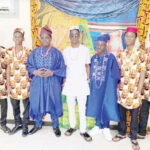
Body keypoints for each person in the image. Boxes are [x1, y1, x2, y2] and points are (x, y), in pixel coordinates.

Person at [27, 25, 66, 137]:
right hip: (38, 83)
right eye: (42, 37)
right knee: (37, 103)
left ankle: (55, 125)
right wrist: (35, 72)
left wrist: (52, 72)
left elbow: (62, 68)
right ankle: (37, 124)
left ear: (50, 38)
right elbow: (29, 66)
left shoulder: (56, 53)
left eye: (47, 37)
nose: (45, 40)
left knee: (53, 102)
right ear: (40, 38)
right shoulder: (34, 52)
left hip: (52, 82)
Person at [112, 27, 146, 150]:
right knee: (121, 114)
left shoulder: (141, 53)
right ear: (124, 38)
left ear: (135, 38)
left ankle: (133, 137)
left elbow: (143, 72)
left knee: (134, 114)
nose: (128, 38)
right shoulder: (121, 53)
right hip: (122, 89)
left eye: (131, 36)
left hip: (134, 90)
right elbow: (117, 71)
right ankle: (121, 132)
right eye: (127, 36)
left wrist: (139, 88)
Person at [86, 34, 120, 141]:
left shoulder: (110, 57)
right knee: (96, 104)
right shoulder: (93, 58)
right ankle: (97, 126)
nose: (99, 47)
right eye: (98, 45)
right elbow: (90, 72)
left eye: (102, 45)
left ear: (106, 46)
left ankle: (106, 127)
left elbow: (115, 73)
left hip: (107, 87)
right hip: (95, 87)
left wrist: (112, 85)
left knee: (106, 105)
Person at [63, 26, 92, 142]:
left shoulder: (85, 50)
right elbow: (64, 67)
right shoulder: (65, 51)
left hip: (81, 83)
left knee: (82, 108)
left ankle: (83, 130)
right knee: (70, 106)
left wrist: (88, 79)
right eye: (72, 35)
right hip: (70, 83)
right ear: (69, 37)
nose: (74, 37)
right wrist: (64, 81)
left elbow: (87, 66)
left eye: (76, 35)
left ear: (79, 36)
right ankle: (72, 126)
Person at [3, 28, 31, 137]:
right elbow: (8, 68)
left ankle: (25, 125)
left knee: (26, 107)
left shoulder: (28, 51)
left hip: (26, 84)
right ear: (13, 38)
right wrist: (8, 85)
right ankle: (18, 124)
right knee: (15, 107)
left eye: (20, 36)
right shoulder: (8, 51)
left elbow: (31, 67)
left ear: (23, 38)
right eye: (15, 36)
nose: (17, 38)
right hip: (14, 84)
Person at [138, 48, 150, 139]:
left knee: (144, 111)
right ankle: (142, 133)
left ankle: (142, 132)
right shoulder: (144, 52)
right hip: (145, 89)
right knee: (143, 111)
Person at [0, 46, 10, 133]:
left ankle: (2, 124)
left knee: (4, 105)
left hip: (2, 83)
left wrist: (8, 82)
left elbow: (8, 67)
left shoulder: (3, 50)